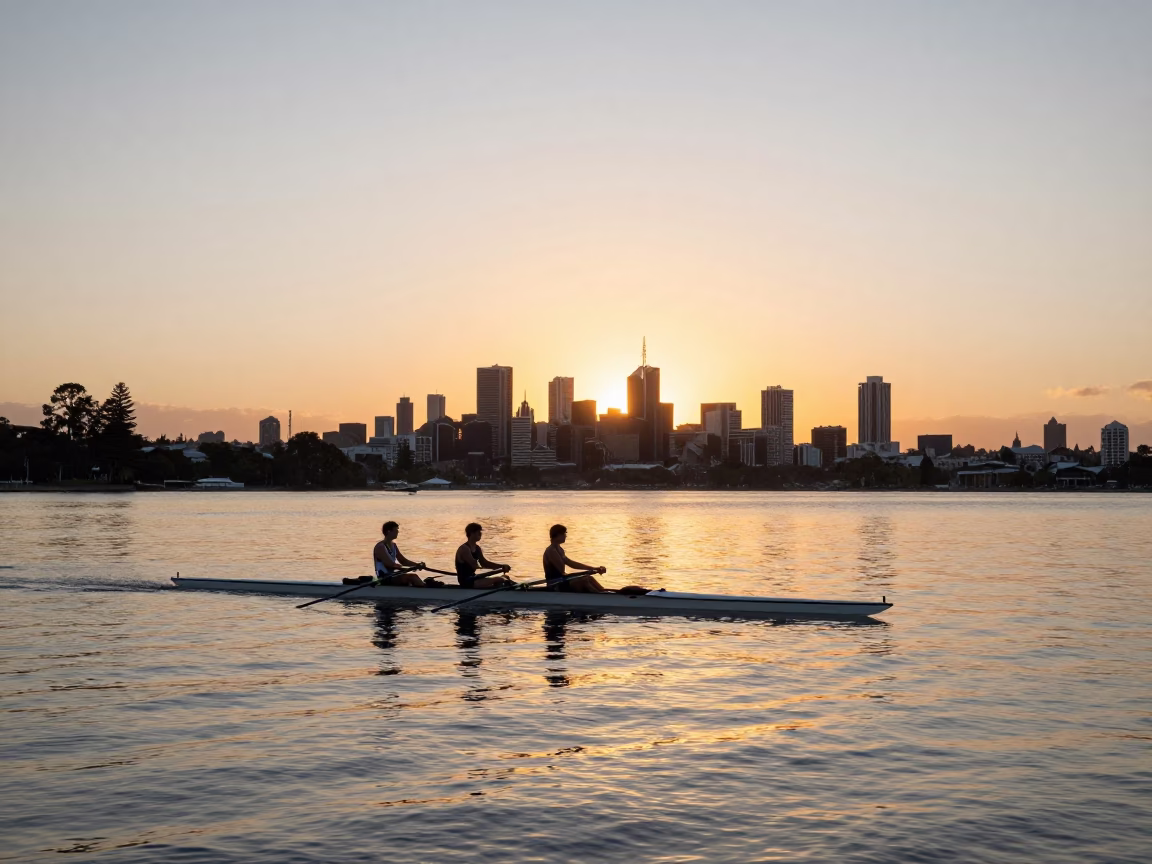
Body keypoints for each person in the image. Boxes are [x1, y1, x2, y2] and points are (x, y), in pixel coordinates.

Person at [543, 524, 609, 593]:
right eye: (564, 533)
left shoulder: (559, 549)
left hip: (562, 581)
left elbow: (570, 563)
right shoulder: (551, 551)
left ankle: (604, 593)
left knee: (589, 578)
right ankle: (600, 598)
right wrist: (589, 571)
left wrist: (593, 568)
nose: (566, 536)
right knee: (584, 580)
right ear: (557, 535)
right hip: (555, 585)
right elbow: (562, 571)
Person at [455, 522, 512, 588]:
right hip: (466, 581)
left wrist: (502, 566)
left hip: (474, 578)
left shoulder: (477, 548)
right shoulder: (464, 549)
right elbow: (474, 565)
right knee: (500, 579)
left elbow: (484, 563)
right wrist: (500, 569)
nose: (480, 533)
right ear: (471, 533)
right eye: (478, 531)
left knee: (505, 577)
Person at [372, 521, 426, 586]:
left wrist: (417, 565)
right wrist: (407, 568)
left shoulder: (393, 545)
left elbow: (404, 561)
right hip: (384, 578)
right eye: (396, 530)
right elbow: (390, 564)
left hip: (392, 575)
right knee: (413, 577)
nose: (398, 532)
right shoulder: (380, 547)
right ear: (389, 531)